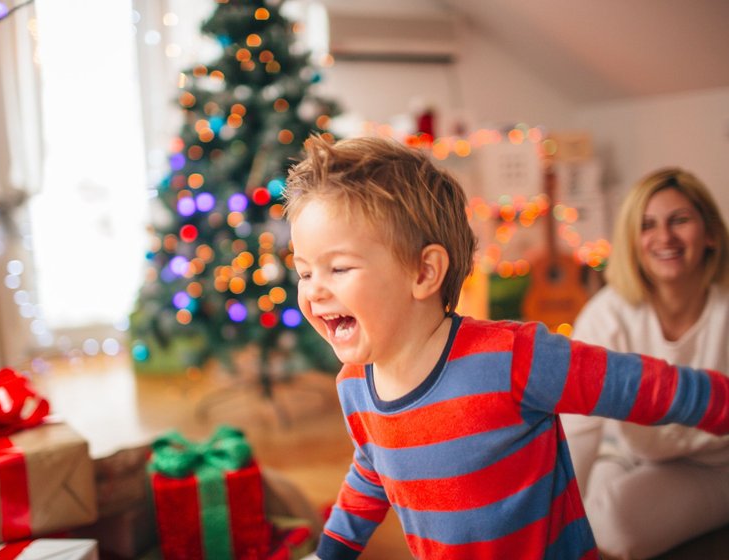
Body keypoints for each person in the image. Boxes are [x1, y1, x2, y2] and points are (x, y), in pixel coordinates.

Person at [283, 135, 729, 560]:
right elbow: (371, 467)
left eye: (337, 268)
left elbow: (639, 386)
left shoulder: (512, 358)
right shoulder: (355, 386)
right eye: (304, 273)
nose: (314, 291)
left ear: (423, 273)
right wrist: (332, 551)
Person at [561, 167, 729, 559]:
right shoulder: (606, 316)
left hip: (715, 465)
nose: (664, 237)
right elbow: (576, 430)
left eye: (680, 220)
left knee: (610, 530)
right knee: (575, 521)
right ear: (632, 242)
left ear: (710, 234)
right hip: (627, 454)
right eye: (647, 225)